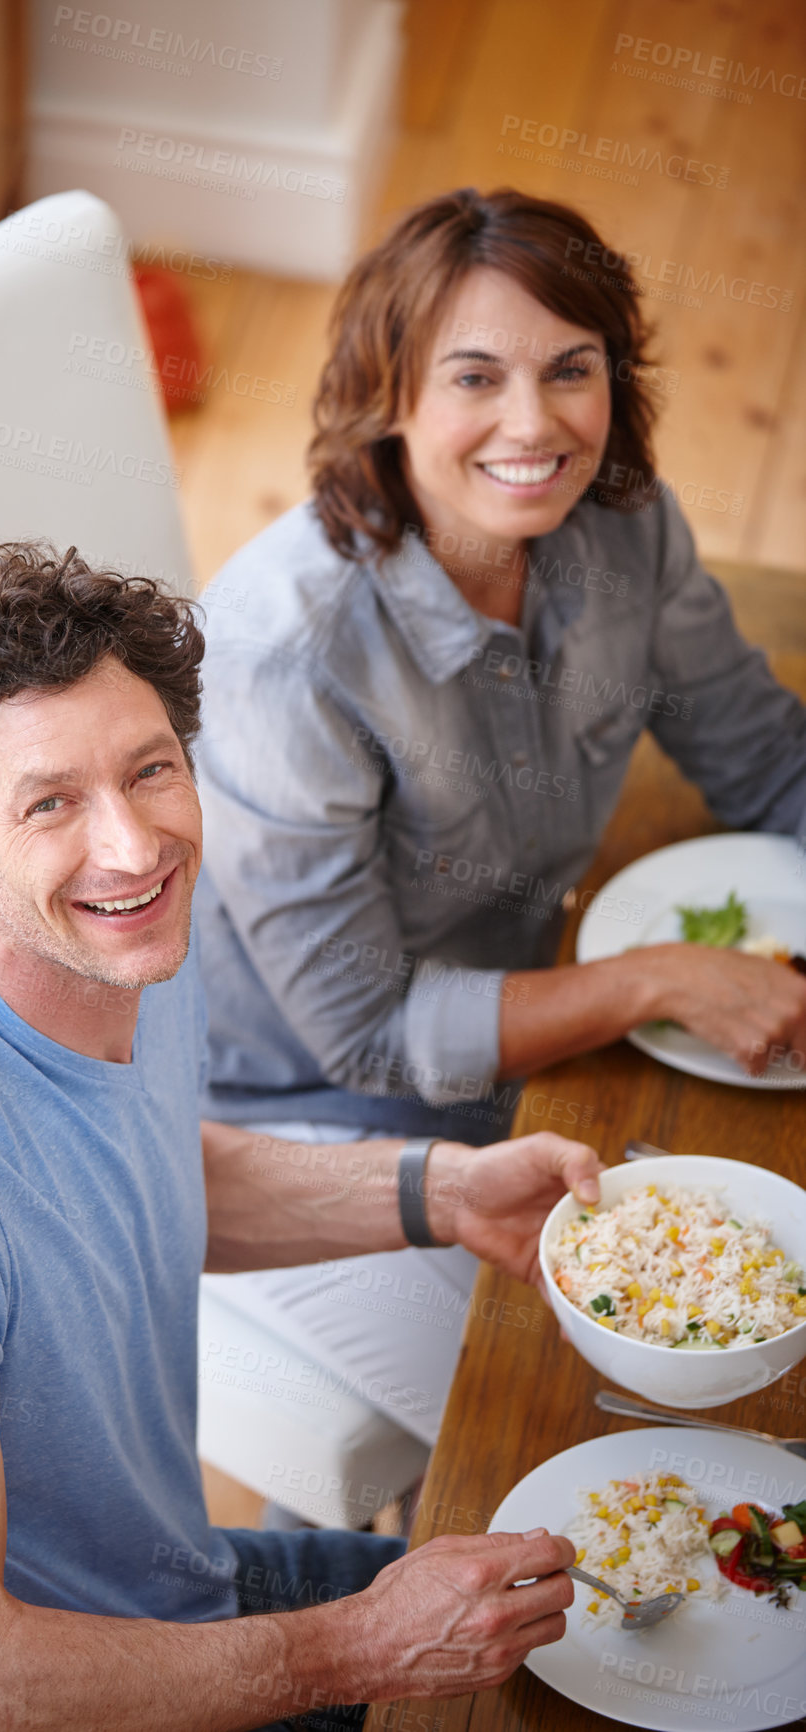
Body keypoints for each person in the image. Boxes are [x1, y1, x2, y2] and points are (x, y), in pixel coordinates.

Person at [0, 542, 593, 1731]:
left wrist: (444, 1192)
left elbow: (145, 1171)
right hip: (41, 1701)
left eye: (150, 771)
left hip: (170, 1595)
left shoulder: (124, 946)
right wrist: (353, 1645)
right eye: (50, 803)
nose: (133, 846)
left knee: (594, 1610)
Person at [193, 186, 806, 1462]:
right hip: (281, 1127)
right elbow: (365, 1028)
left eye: (568, 371)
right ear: (389, 395)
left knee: (743, 1313)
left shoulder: (625, 527)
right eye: (473, 377)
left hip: (517, 1044)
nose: (532, 425)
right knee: (605, 1420)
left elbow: (759, 754)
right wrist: (648, 977)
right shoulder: (284, 646)